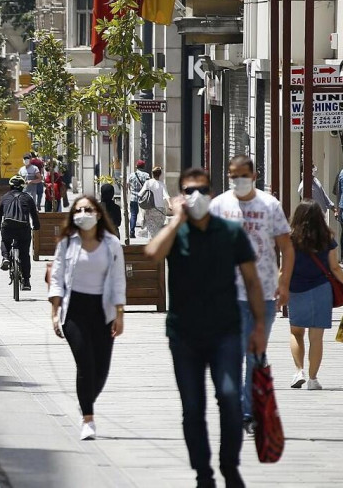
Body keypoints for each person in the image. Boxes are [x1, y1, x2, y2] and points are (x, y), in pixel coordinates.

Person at [145, 167, 266, 488]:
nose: (195, 195)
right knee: (192, 407)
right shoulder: (177, 232)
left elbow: (253, 281)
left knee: (228, 397)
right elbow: (152, 253)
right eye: (188, 190)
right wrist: (176, 221)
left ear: (210, 194)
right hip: (184, 335)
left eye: (200, 189)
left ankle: (230, 465)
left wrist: (258, 328)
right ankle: (203, 474)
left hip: (225, 331)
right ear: (180, 195)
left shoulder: (230, 231)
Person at [209, 155, 294, 432]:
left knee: (255, 354)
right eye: (233, 175)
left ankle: (249, 413)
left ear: (254, 175)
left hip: (263, 295)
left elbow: (287, 247)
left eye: (243, 175)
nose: (237, 180)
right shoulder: (219, 205)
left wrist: (284, 283)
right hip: (226, 294)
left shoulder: (269, 205)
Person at [48, 195, 126, 440]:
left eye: (88, 209)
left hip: (103, 311)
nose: (83, 214)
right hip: (75, 311)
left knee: (101, 369)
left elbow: (118, 280)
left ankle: (85, 400)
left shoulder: (112, 243)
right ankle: (88, 419)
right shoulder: (67, 243)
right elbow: (57, 275)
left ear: (99, 214)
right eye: (79, 210)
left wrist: (120, 313)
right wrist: (54, 312)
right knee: (85, 363)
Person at [286, 200, 343, 391]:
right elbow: (334, 267)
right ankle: (313, 379)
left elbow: (284, 268)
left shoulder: (290, 238)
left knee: (296, 333)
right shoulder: (327, 238)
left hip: (296, 288)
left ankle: (298, 370)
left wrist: (280, 288)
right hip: (322, 289)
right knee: (316, 337)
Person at [0, 176, 40, 289]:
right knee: (24, 254)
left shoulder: (5, 197)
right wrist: (36, 227)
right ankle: (26, 281)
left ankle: (5, 258)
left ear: (10, 186)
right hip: (23, 227)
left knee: (5, 240)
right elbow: (34, 215)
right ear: (23, 187)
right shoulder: (28, 198)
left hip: (8, 226)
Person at [142, 166, 170, 238]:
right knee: (159, 229)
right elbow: (166, 196)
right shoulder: (162, 184)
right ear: (160, 174)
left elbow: (140, 194)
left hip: (150, 209)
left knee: (151, 230)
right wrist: (170, 204)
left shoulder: (148, 183)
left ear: (152, 173)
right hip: (160, 209)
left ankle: (152, 244)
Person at [127, 160, 150, 238]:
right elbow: (148, 186)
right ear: (143, 167)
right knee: (145, 214)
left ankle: (132, 231)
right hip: (144, 198)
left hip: (133, 198)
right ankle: (145, 230)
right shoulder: (147, 175)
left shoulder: (131, 175)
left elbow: (128, 186)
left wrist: (132, 192)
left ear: (136, 166)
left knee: (133, 215)